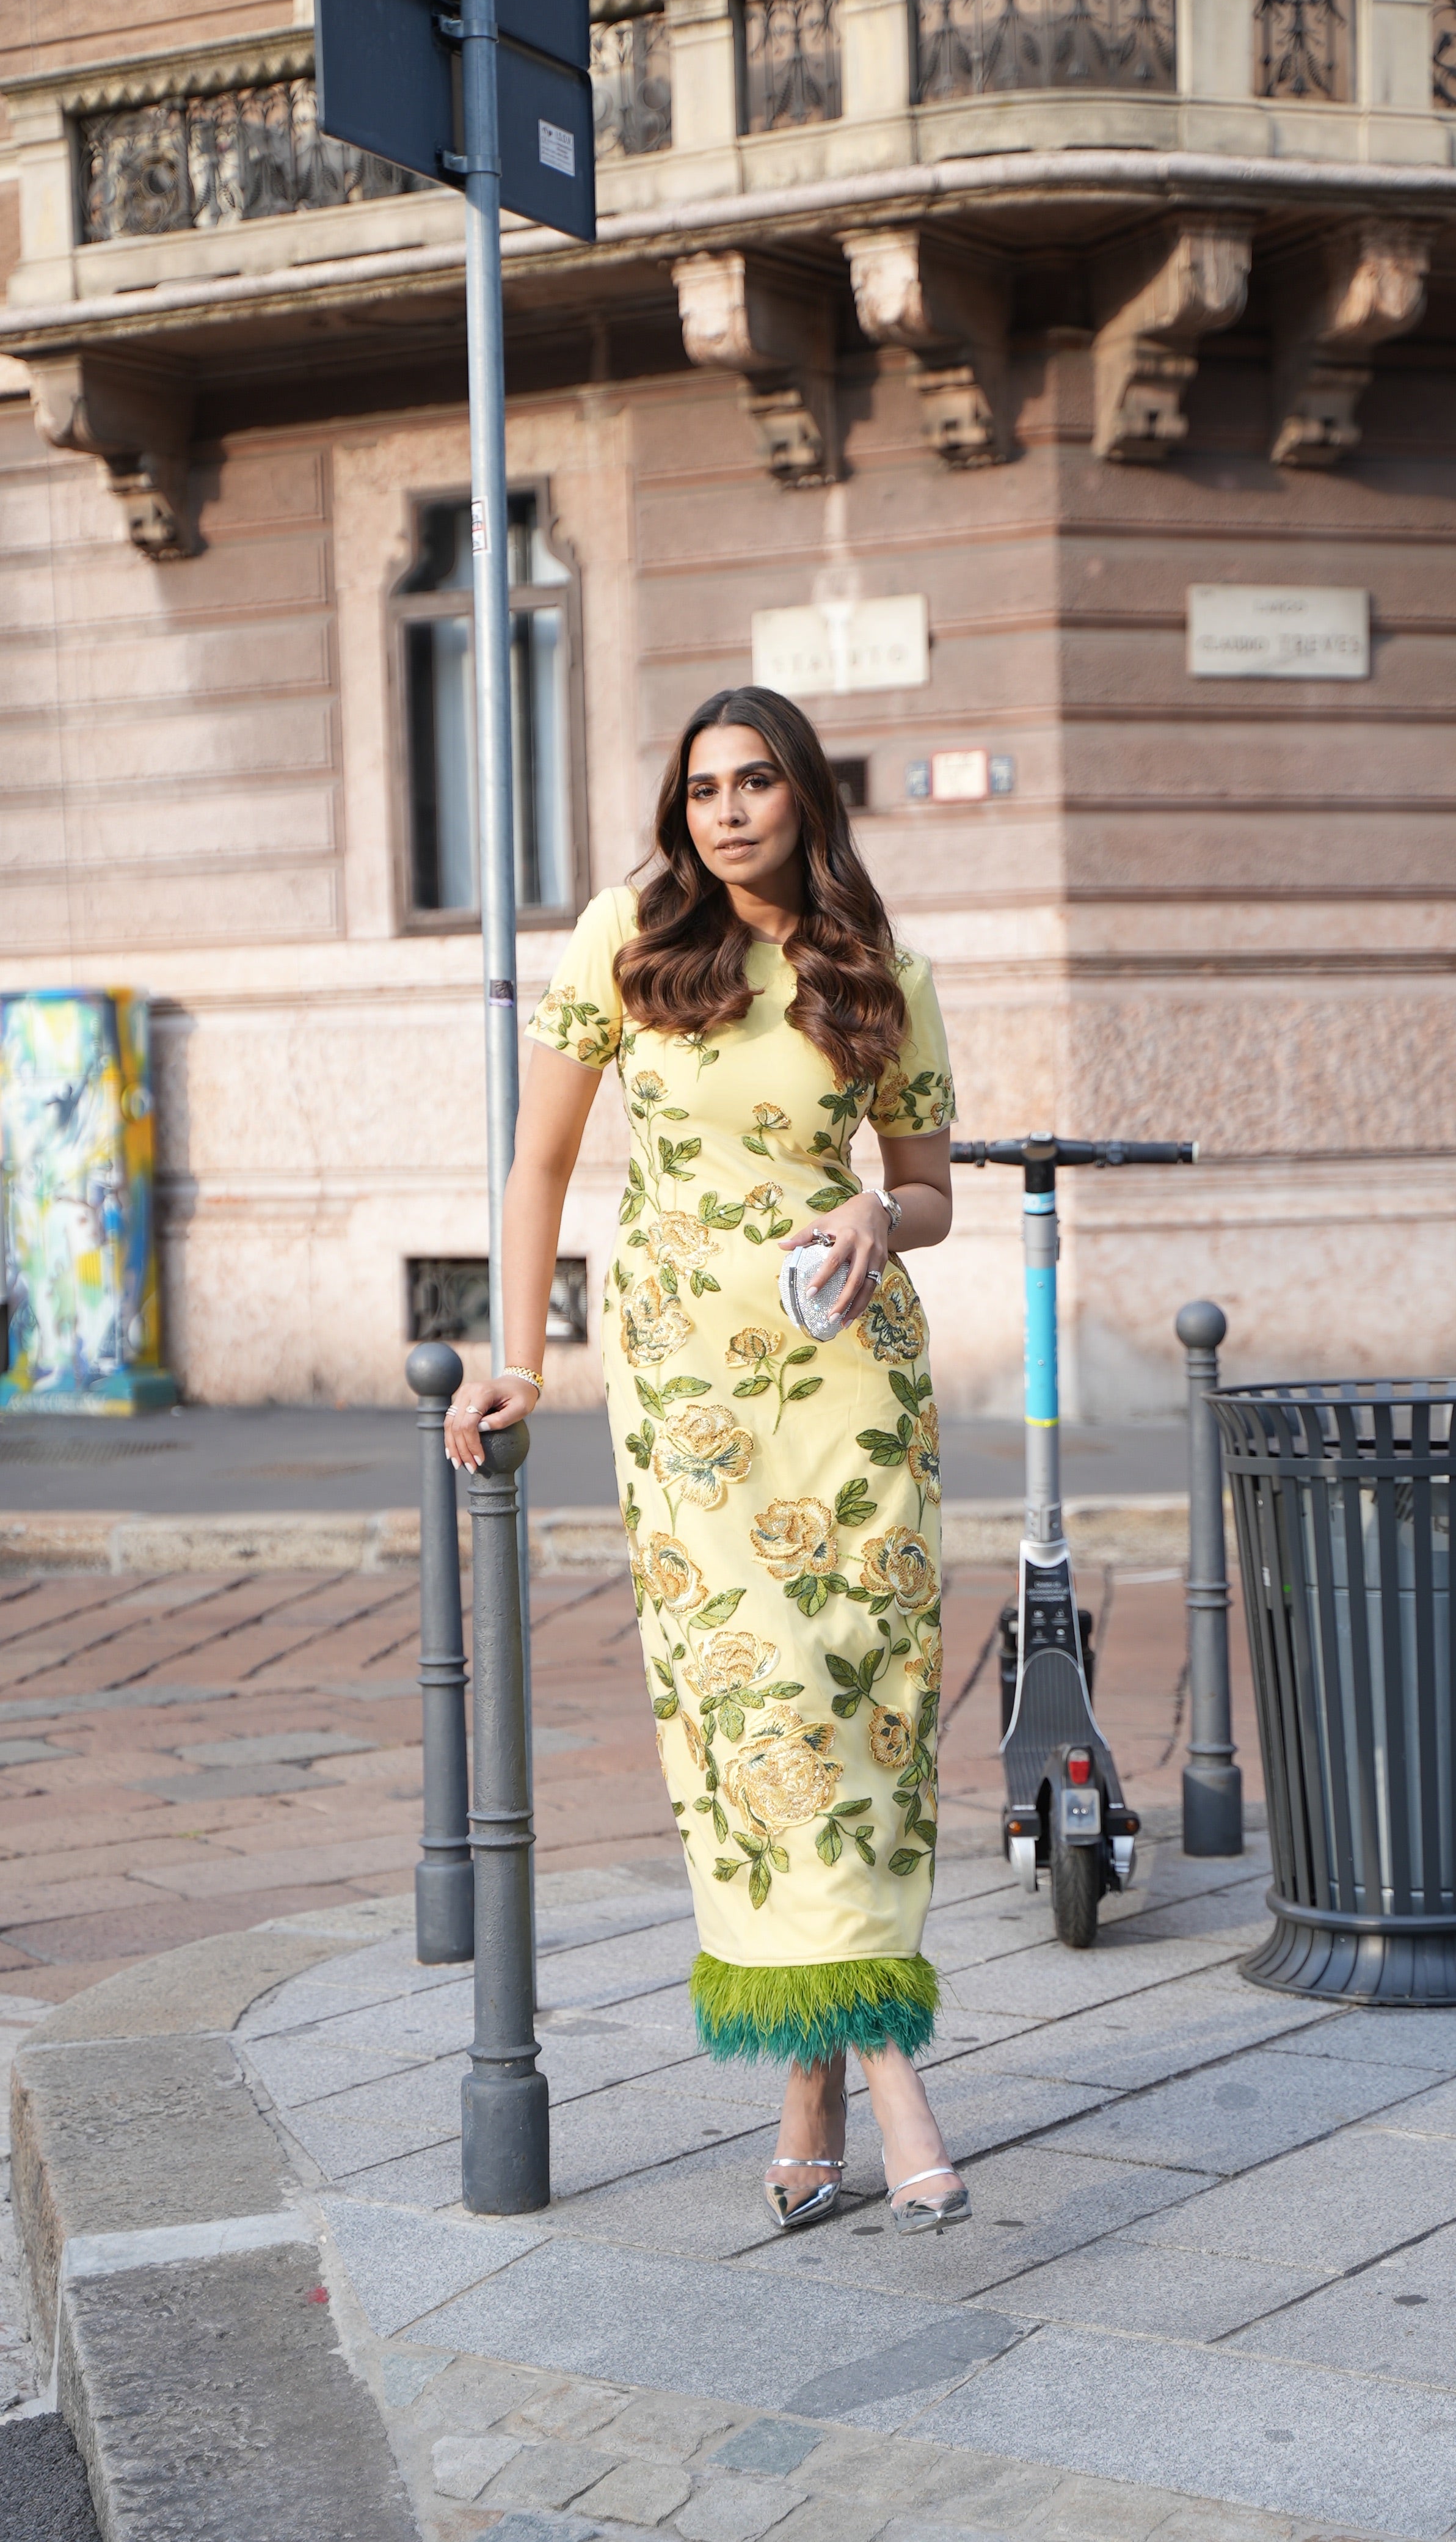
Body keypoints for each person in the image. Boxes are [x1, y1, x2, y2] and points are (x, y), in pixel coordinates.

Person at [443, 685, 967, 2235]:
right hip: (686, 1396)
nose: (725, 810)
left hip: (854, 1382)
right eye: (700, 788)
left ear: (805, 795)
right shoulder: (631, 933)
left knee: (863, 1707)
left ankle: (804, 2089)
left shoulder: (884, 969)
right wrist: (520, 1357)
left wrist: (881, 1212)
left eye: (754, 782)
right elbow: (538, 1159)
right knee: (761, 1711)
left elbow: (930, 1187)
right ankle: (888, 2079)